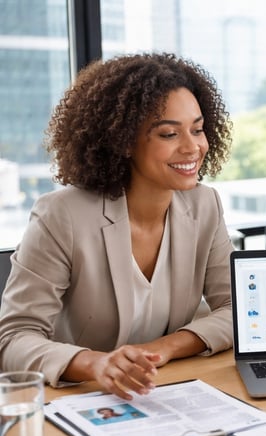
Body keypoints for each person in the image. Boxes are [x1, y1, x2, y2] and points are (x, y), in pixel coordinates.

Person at [0, 53, 234, 401]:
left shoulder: (205, 205)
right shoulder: (61, 215)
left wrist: (162, 349)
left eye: (198, 129)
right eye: (169, 133)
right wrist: (96, 364)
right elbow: (15, 338)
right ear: (123, 140)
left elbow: (239, 309)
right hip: (80, 398)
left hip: (166, 389)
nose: (193, 147)